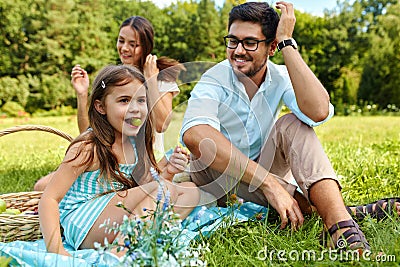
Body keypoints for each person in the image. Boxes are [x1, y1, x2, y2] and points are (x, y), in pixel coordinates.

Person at [180, 1, 399, 251]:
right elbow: (196, 135)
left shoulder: (281, 76)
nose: (238, 51)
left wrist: (287, 42)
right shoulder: (213, 80)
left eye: (250, 43)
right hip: (217, 173)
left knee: (293, 123)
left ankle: (339, 225)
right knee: (297, 199)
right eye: (232, 41)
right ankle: (348, 212)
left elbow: (318, 112)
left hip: (260, 166)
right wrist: (269, 184)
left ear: (271, 47)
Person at [38, 65, 199, 256]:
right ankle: (117, 256)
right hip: (85, 221)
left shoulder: (135, 141)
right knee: (166, 189)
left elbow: (143, 192)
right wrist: (56, 250)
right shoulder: (88, 147)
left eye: (141, 100)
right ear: (100, 107)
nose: (136, 110)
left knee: (191, 191)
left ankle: (138, 241)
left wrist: (170, 170)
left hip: (115, 214)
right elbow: (49, 199)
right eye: (124, 101)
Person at [34, 16, 185, 191]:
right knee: (41, 186)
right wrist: (82, 95)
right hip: (107, 155)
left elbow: (162, 124)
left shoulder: (160, 78)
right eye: (121, 41)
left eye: (133, 44)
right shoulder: (114, 80)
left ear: (146, 46)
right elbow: (90, 131)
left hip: (144, 158)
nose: (124, 48)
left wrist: (151, 80)